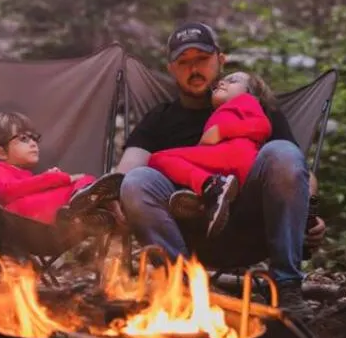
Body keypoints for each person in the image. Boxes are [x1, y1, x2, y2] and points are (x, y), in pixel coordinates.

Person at [116, 22, 327, 314]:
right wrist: (115, 195)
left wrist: (309, 210)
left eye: (201, 59)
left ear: (220, 59)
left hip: (252, 224)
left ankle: (288, 288)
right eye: (184, 62)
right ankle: (183, 291)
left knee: (282, 151)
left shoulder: (256, 107)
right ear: (171, 69)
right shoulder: (160, 119)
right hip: (184, 231)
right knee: (137, 181)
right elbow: (127, 172)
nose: (194, 69)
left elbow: (298, 171)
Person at [147, 71, 277, 238]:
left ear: (251, 93)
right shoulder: (224, 111)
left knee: (158, 158)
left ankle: (209, 186)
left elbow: (263, 126)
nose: (222, 82)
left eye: (233, 81)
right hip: (226, 164)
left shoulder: (247, 101)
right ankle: (210, 197)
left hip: (235, 156)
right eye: (222, 80)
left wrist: (220, 131)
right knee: (169, 161)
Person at [0, 111, 122, 224]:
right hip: (21, 218)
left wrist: (52, 180)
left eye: (34, 138)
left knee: (86, 179)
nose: (33, 143)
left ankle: (88, 208)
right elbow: (7, 192)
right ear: (1, 152)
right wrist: (52, 179)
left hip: (48, 214)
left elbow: (34, 189)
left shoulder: (27, 173)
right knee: (78, 183)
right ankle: (84, 207)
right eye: (23, 139)